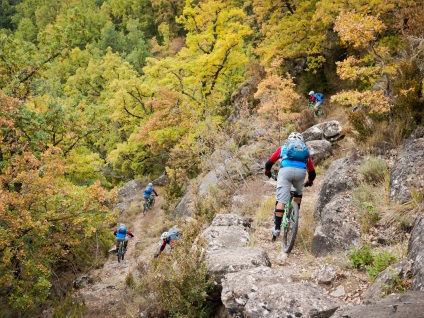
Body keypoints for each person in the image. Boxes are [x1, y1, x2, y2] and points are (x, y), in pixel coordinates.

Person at [264, 132, 316, 239]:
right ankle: (294, 215)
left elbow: (268, 164)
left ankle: (277, 229)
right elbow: (312, 172)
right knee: (298, 193)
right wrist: (309, 181)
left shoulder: (283, 148)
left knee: (281, 200)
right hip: (301, 173)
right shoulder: (305, 152)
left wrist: (268, 172)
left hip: (285, 172)